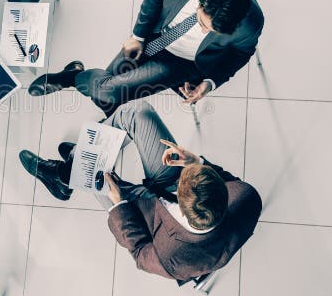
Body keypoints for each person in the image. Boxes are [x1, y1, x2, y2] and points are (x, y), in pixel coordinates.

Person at [18, 101, 261, 282]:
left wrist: (118, 206)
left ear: (182, 206)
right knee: (138, 113)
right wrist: (193, 161)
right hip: (171, 190)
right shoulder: (247, 196)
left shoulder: (175, 258)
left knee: (93, 177)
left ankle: (66, 175)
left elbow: (140, 251)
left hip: (146, 217)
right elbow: (225, 178)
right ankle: (77, 159)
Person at [28, 0, 264, 116]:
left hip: (183, 63)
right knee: (107, 95)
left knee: (107, 92)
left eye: (211, 31)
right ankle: (81, 84)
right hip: (153, 37)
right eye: (202, 22)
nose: (203, 31)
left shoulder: (250, 22)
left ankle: (72, 77)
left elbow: (240, 54)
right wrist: (138, 36)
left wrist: (210, 83)